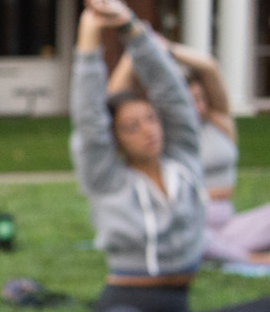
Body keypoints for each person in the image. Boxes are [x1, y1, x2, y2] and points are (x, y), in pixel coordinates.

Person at [74, 0, 270, 312]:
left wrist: (132, 28)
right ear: (116, 139)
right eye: (132, 127)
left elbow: (173, 94)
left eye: (150, 118)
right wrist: (90, 36)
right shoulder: (107, 179)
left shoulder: (183, 160)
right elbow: (87, 119)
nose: (148, 130)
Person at [109, 40, 270, 265]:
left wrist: (167, 47)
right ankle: (249, 257)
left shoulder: (219, 123)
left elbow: (209, 68)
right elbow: (115, 99)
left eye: (200, 99)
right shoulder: (162, 137)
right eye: (188, 100)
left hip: (229, 226)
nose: (198, 107)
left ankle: (227, 250)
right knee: (189, 234)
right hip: (188, 227)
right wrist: (135, 49)